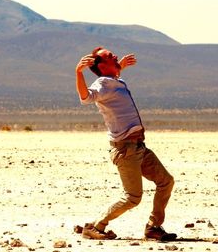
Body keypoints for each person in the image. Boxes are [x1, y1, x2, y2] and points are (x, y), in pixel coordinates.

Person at [75, 47, 177, 241]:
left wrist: (118, 67)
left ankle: (154, 227)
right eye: (109, 56)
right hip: (125, 150)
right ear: (102, 65)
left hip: (139, 146)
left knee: (166, 181)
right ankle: (96, 226)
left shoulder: (115, 80)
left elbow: (113, 76)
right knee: (132, 197)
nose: (114, 55)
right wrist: (78, 72)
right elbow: (86, 97)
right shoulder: (103, 83)